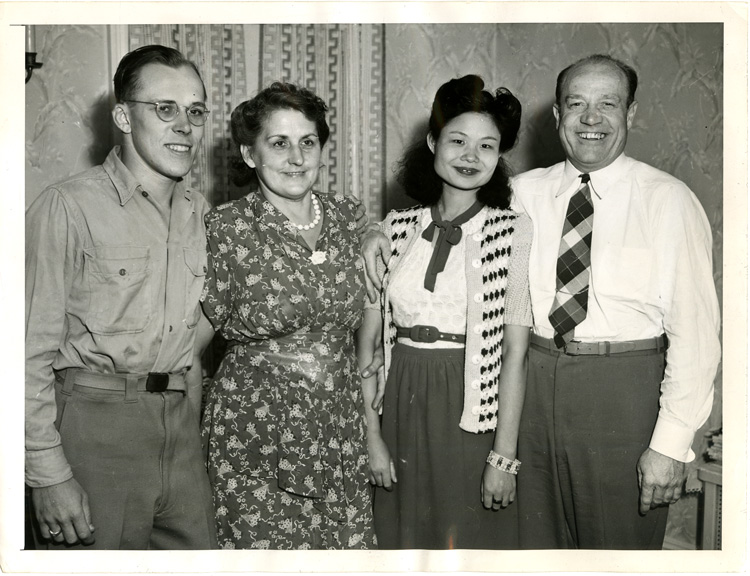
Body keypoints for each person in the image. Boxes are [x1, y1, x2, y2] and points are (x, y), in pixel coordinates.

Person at [363, 54, 721, 550]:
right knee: (529, 546)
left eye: (607, 104)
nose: (590, 119)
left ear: (631, 114)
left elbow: (697, 336)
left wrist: (671, 443)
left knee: (616, 550)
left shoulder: (669, 200)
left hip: (620, 394)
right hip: (530, 387)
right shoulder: (520, 194)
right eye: (576, 104)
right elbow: (437, 218)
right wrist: (367, 233)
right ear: (556, 115)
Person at [25, 45, 218, 549]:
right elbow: (24, 354)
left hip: (178, 431)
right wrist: (47, 474)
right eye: (165, 108)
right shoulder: (66, 207)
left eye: (195, 111)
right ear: (122, 117)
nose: (184, 125)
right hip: (94, 428)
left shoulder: (204, 215)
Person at [193, 82, 378, 550]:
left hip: (337, 427)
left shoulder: (345, 216)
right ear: (250, 154)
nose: (296, 158)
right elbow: (191, 348)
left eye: (307, 142)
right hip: (254, 430)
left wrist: (377, 232)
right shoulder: (226, 227)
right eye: (279, 143)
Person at [359, 75, 532, 549]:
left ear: (499, 157)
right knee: (401, 538)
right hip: (398, 399)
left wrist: (504, 458)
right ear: (433, 142)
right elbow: (368, 347)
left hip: (470, 405)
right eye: (457, 140)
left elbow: (515, 354)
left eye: (487, 146)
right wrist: (371, 436)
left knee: (469, 541)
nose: (470, 157)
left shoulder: (511, 231)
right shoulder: (393, 228)